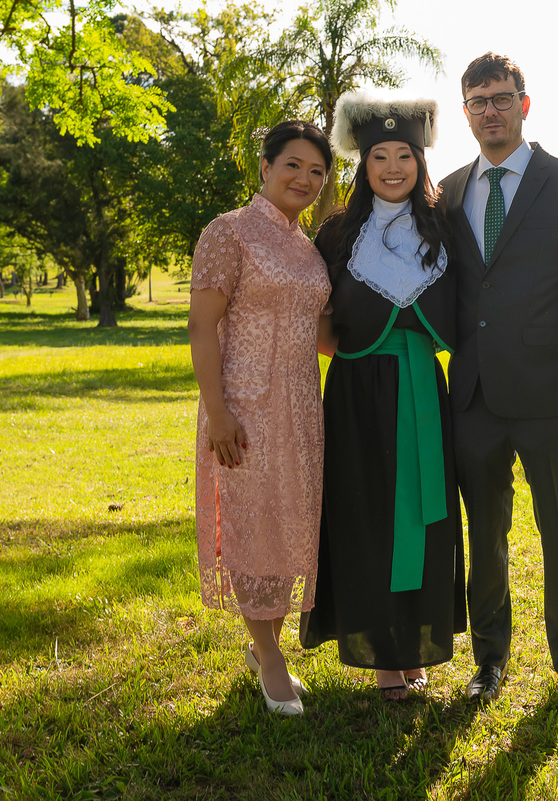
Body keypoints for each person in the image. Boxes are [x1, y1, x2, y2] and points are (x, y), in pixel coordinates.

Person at [438, 53, 558, 708]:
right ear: (465, 113)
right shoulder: (449, 190)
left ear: (525, 103)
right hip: (474, 397)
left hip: (552, 395)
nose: (490, 109)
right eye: (477, 100)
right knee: (482, 535)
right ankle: (488, 661)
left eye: (500, 97)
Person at [300, 94, 466, 701]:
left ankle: (412, 644)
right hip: (356, 397)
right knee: (366, 518)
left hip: (424, 389)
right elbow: (317, 324)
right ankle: (383, 659)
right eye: (379, 156)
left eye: (404, 155)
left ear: (420, 163)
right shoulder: (337, 234)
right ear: (363, 165)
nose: (392, 167)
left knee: (425, 521)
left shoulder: (444, 228)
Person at [188, 120, 334, 717]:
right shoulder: (229, 233)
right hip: (244, 406)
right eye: (293, 165)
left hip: (302, 406)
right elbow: (201, 326)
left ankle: (265, 645)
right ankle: (268, 655)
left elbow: (324, 336)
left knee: (286, 521)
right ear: (266, 168)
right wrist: (218, 413)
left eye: (317, 171)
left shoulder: (308, 246)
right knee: (251, 525)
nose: (304, 178)